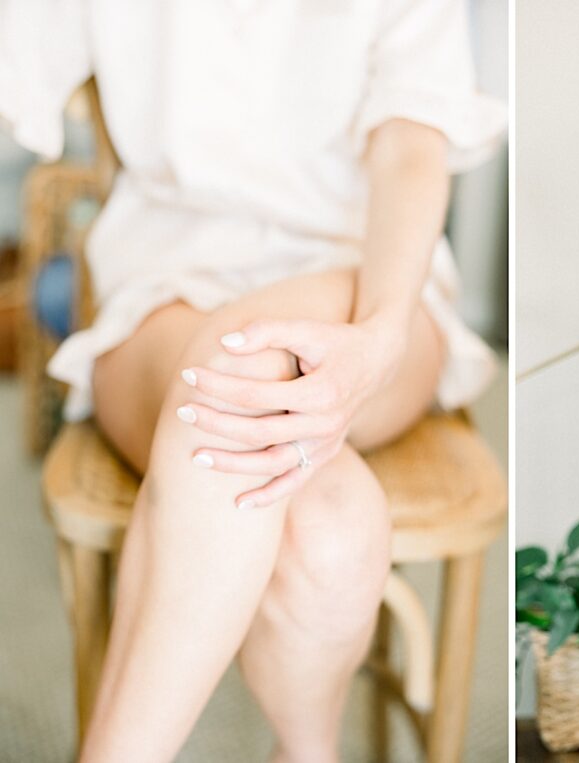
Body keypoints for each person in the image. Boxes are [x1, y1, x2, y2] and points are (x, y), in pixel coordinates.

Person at [1, 1, 505, 760]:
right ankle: (308, 753)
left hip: (369, 283)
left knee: (237, 371)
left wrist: (379, 335)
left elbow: (410, 148)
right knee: (330, 526)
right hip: (165, 284)